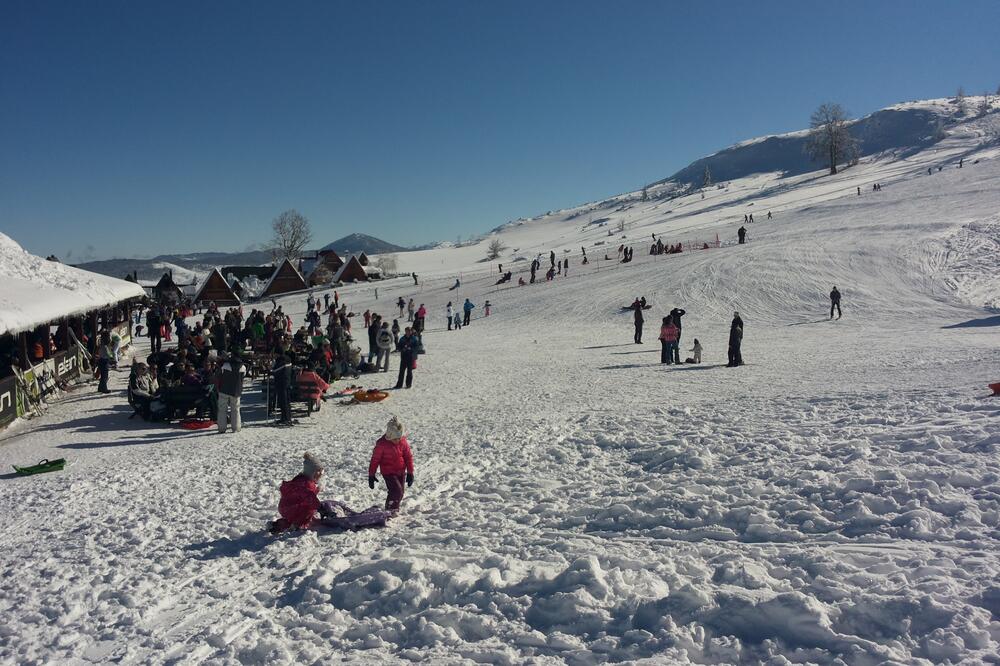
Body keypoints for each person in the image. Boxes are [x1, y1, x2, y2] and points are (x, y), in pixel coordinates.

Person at [368, 417, 414, 512]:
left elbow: (408, 457)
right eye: (395, 439)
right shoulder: (382, 444)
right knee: (396, 491)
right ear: (389, 436)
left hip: (401, 471)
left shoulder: (403, 442)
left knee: (400, 493)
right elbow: (375, 460)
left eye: (399, 438)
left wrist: (410, 472)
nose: (397, 440)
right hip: (388, 472)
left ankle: (394, 509)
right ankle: (390, 510)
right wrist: (371, 475)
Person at [270, 453, 324, 534]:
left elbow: (307, 495)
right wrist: (320, 507)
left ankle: (278, 525)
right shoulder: (306, 483)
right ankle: (297, 526)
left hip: (287, 507)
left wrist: (316, 490)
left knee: (294, 518)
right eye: (320, 472)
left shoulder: (301, 480)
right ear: (313, 472)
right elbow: (309, 496)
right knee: (309, 510)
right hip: (292, 507)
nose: (321, 475)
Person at [217, 350, 245, 433]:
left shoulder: (225, 365)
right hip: (236, 390)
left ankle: (222, 428)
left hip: (224, 389)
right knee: (236, 409)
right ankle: (236, 427)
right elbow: (242, 378)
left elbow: (219, 375)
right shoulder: (243, 367)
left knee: (222, 410)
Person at [272, 354, 293, 424]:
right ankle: (286, 417)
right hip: (287, 383)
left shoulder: (281, 363)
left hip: (281, 383)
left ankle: (285, 418)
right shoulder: (288, 361)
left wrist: (270, 370)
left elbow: (275, 371)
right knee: (286, 401)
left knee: (283, 401)